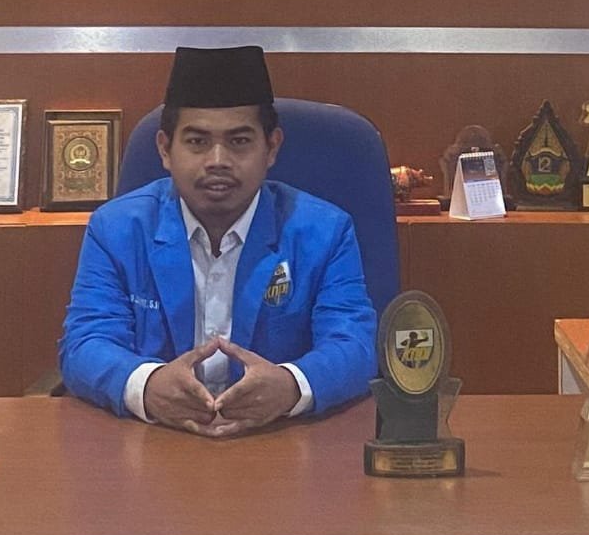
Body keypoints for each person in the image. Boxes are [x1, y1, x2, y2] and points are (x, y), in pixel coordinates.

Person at [59, 45, 378, 437]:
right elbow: (85, 344)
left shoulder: (325, 231)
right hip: (156, 441)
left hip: (278, 441)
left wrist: (292, 385)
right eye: (197, 142)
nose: (217, 160)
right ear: (165, 150)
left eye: (239, 141)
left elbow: (355, 345)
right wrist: (147, 384)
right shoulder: (117, 229)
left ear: (272, 148)